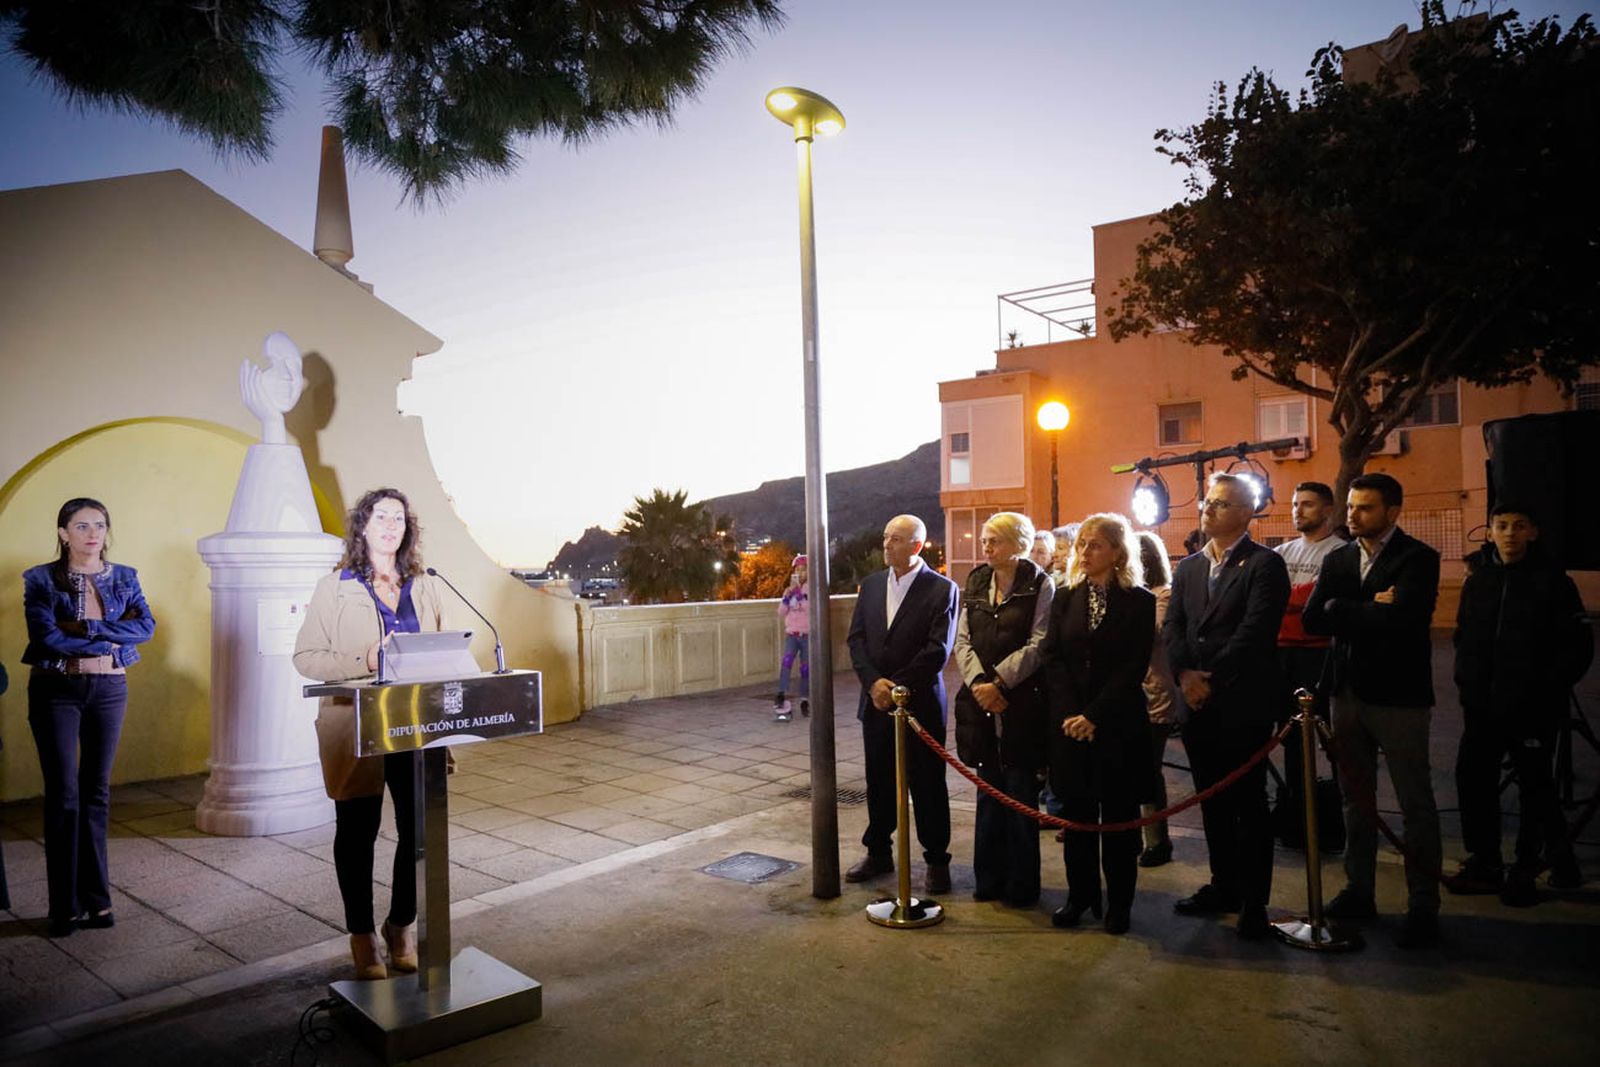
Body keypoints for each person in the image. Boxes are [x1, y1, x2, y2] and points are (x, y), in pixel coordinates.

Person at [293, 488, 454, 980]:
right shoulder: (335, 587)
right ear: (362, 526)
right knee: (357, 832)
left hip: (416, 724)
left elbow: (443, 652)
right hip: (357, 724)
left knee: (418, 831)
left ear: (408, 529)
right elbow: (306, 658)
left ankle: (401, 924)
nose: (390, 526)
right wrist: (363, 659)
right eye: (380, 517)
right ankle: (361, 935)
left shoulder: (425, 585)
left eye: (398, 518)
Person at [1303, 472, 1443, 949]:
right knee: (1355, 798)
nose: (1353, 515)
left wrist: (1342, 607)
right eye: (1351, 507)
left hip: (1400, 696)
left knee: (1415, 802)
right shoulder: (1340, 558)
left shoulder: (1418, 558)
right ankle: (1358, 889)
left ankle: (1423, 904)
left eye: (1365, 508)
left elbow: (1404, 619)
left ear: (1392, 511)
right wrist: (1365, 605)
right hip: (1346, 693)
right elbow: (1314, 618)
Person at [21, 497, 156, 938]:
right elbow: (47, 637)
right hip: (56, 690)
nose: (93, 533)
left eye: (99, 524)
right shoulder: (41, 579)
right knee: (64, 795)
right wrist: (111, 638)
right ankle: (65, 906)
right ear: (63, 533)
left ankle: (97, 900)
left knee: (96, 793)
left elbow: (146, 628)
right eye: (81, 526)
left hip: (110, 689)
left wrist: (89, 629)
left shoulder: (125, 577)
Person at [1164, 473, 1290, 940]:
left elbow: (1254, 633)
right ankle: (1224, 884)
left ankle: (1254, 901)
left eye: (1220, 503)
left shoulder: (1264, 565)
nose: (1208, 509)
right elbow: (1174, 626)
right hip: (1196, 703)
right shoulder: (1189, 568)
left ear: (1245, 512)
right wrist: (1184, 674)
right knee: (1211, 801)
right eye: (1208, 502)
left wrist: (1207, 679)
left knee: (1248, 804)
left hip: (1240, 701)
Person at [1446, 503, 1592, 905]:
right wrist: (1467, 684)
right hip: (1481, 708)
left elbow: (1577, 647)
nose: (1510, 533)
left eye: (1519, 526)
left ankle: (1526, 867)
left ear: (1533, 532)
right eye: (1502, 525)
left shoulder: (1554, 583)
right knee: (1473, 779)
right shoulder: (1479, 581)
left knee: (1534, 788)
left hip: (1533, 710)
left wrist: (1546, 689)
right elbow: (1464, 637)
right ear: (1490, 532)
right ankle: (1485, 860)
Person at [1044, 514, 1156, 934]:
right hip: (1071, 726)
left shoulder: (1139, 601)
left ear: (1117, 552)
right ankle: (1080, 896)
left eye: (1095, 544)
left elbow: (1132, 667)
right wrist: (1073, 713)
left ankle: (1119, 904)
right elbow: (1053, 657)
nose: (1084, 552)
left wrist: (1094, 715)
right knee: (1077, 819)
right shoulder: (1065, 596)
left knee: (1119, 821)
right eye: (1082, 544)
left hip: (1117, 725)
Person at [845, 514, 960, 894]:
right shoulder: (872, 585)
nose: (886, 544)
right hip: (876, 704)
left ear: (916, 545)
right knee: (878, 780)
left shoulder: (941, 589)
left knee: (927, 784)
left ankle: (937, 860)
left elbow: (938, 649)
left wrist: (894, 687)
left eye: (895, 539)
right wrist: (872, 683)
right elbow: (857, 640)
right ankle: (878, 852)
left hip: (919, 705)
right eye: (885, 537)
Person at [953, 512, 1053, 906]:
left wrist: (999, 683)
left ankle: (1022, 886)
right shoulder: (977, 580)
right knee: (987, 794)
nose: (986, 547)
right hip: (980, 706)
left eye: (994, 540)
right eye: (985, 540)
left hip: (1021, 704)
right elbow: (962, 640)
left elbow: (1040, 642)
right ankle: (988, 879)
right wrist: (979, 684)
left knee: (1020, 795)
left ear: (1018, 544)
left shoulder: (1039, 584)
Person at [1273, 481, 1348, 847]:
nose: (1298, 510)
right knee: (1291, 740)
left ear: (1328, 510)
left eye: (1307, 504)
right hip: (1281, 655)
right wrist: (1298, 603)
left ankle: (1342, 815)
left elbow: (1315, 608)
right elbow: (1275, 603)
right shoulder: (1281, 552)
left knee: (1332, 739)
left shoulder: (1341, 553)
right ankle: (1298, 816)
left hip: (1321, 655)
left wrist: (1293, 603)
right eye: (1294, 504)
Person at [1135, 531, 1180, 868]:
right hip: (1129, 693)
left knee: (1148, 769)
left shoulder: (1162, 594)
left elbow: (1150, 634)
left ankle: (1157, 840)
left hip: (1154, 693)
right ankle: (1136, 834)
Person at [773, 554, 811, 722]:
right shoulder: (789, 590)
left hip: (807, 635)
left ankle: (804, 699)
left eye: (803, 570)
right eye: (798, 570)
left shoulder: (812, 589)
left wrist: (800, 595)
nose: (800, 573)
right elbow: (781, 612)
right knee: (787, 662)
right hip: (792, 634)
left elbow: (810, 608)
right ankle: (781, 692)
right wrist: (788, 596)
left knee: (805, 668)